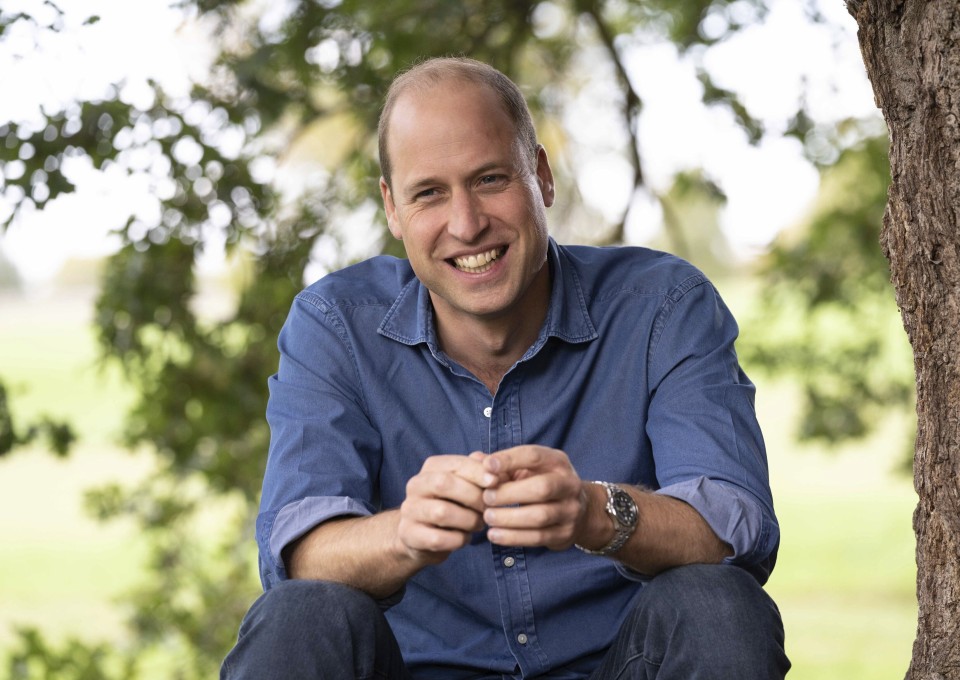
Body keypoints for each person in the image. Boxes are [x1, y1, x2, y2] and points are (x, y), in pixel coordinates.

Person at [221, 56, 789, 680]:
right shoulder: (335, 324)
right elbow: (299, 553)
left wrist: (592, 513)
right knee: (300, 616)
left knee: (719, 606)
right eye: (429, 193)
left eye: (490, 179)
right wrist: (404, 535)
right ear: (391, 207)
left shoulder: (662, 307)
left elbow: (735, 527)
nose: (466, 225)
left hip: (620, 668)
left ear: (540, 177)